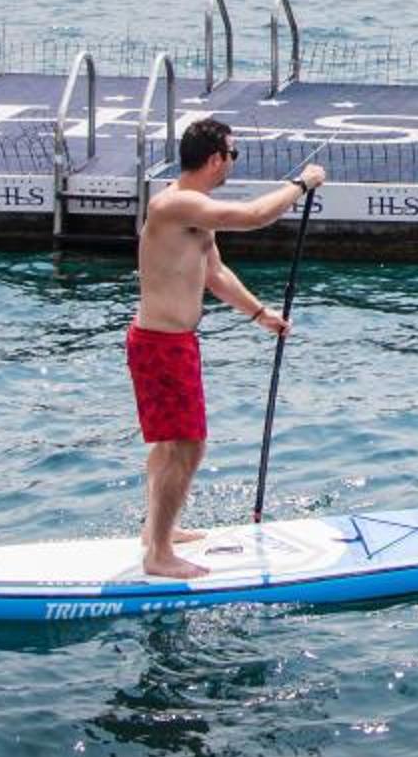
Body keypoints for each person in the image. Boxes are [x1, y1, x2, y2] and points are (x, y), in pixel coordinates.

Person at [126, 118, 325, 579]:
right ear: (216, 159)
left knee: (172, 443)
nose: (234, 162)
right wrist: (302, 184)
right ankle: (158, 554)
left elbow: (214, 273)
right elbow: (254, 216)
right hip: (161, 345)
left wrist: (259, 313)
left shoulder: (194, 210)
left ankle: (156, 532)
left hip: (173, 343)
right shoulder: (175, 203)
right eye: (232, 154)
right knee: (187, 446)